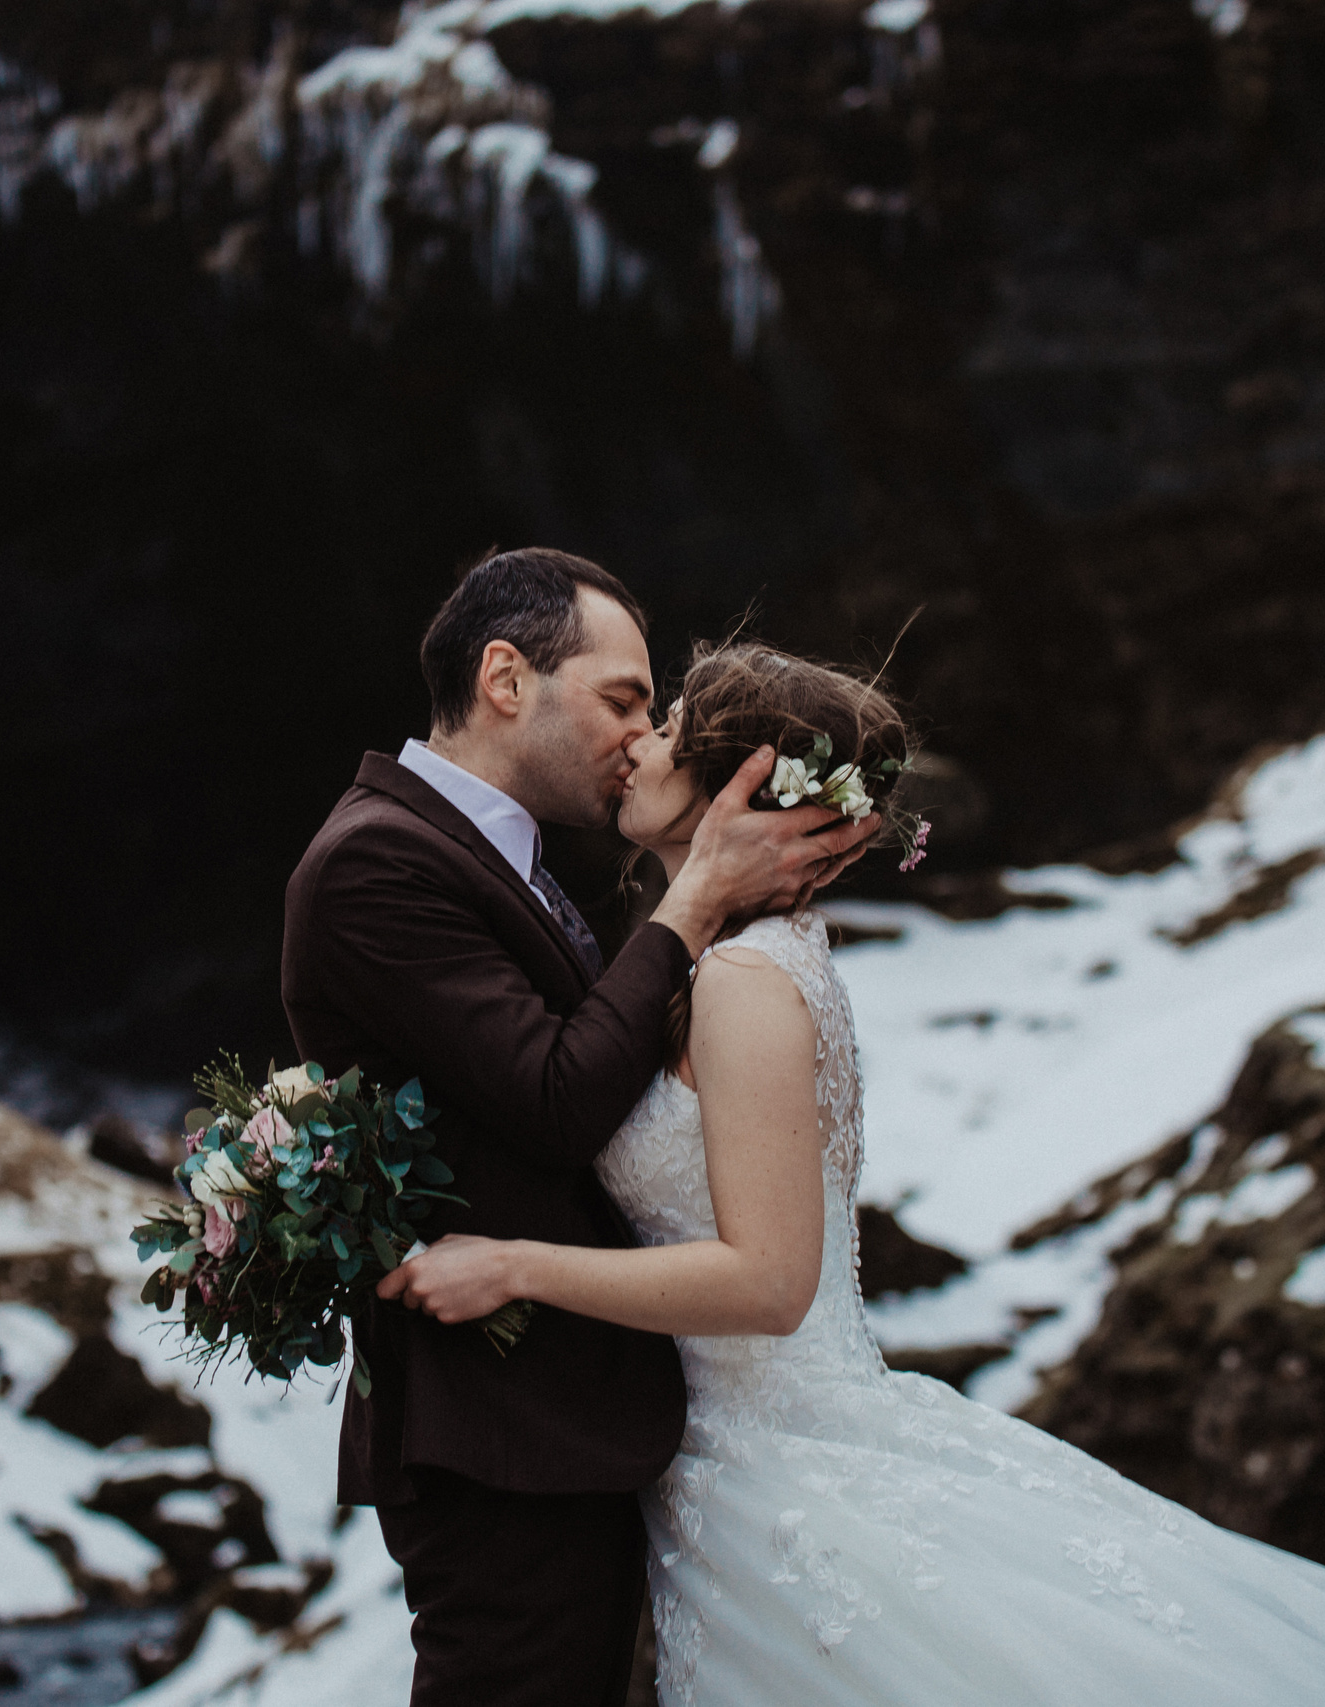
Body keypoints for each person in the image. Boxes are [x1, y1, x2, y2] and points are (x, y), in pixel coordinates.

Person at [379, 641, 1325, 1707]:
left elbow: (769, 1282)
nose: (637, 744)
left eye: (665, 728)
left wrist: (516, 1267)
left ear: (739, 786)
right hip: (727, 1474)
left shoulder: (748, 987)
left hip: (788, 1478)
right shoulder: (714, 966)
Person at [280, 550, 879, 1707]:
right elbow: (557, 1103)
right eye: (622, 700)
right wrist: (696, 897)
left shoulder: (520, 863)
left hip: (602, 1425)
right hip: (500, 1433)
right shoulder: (377, 862)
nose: (642, 734)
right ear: (506, 678)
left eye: (653, 712)